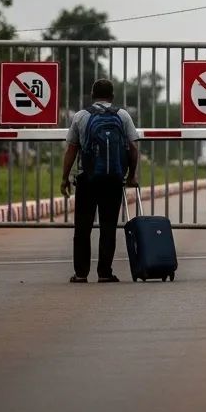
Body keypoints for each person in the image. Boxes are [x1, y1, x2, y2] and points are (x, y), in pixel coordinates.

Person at [61, 79, 140, 284]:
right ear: (112, 96)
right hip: (113, 179)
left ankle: (80, 274)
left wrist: (65, 178)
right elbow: (133, 148)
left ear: (92, 94)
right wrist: (131, 175)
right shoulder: (122, 115)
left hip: (87, 178)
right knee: (108, 226)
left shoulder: (81, 116)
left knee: (82, 227)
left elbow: (71, 150)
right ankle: (104, 273)